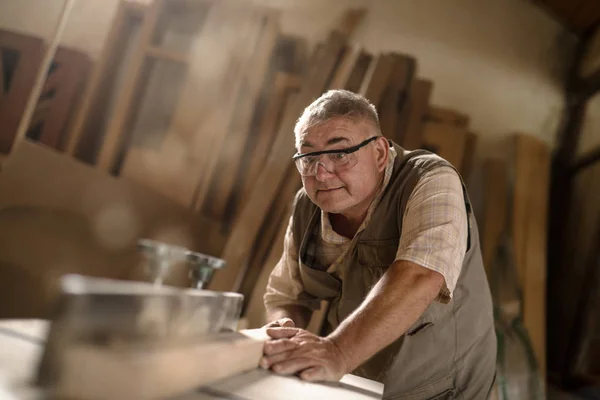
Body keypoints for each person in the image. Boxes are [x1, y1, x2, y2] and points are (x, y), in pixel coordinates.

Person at [261, 89, 496, 399]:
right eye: (308, 157)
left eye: (340, 153)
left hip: (444, 390)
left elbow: (419, 276)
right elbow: (286, 293)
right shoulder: (307, 205)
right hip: (358, 385)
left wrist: (337, 351)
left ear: (380, 153)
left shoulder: (429, 179)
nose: (321, 172)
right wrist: (284, 338)